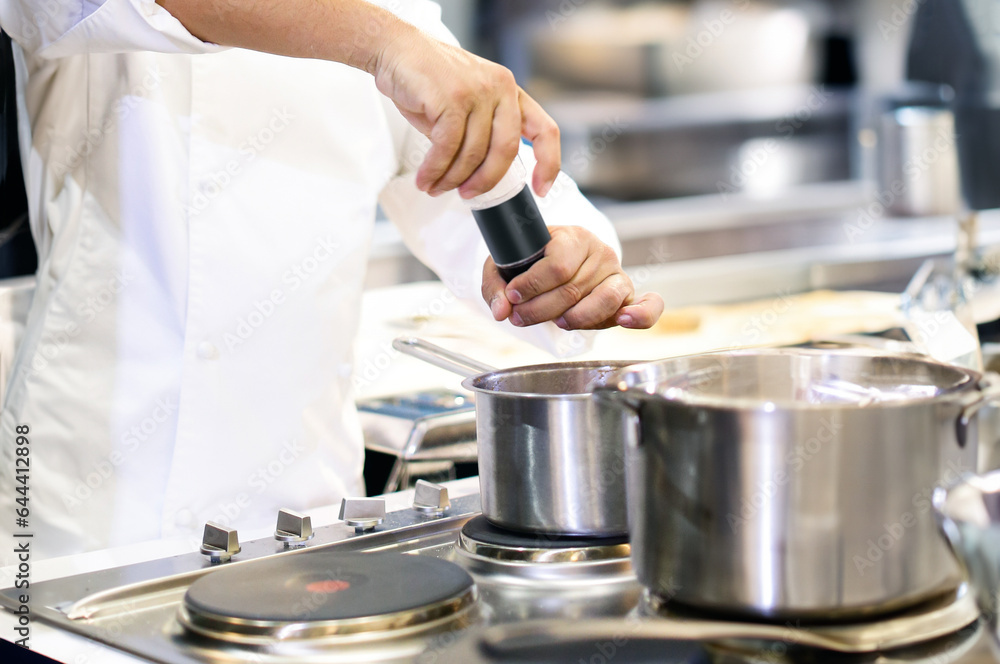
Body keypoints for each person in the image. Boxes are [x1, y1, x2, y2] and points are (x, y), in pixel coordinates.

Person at [0, 0, 663, 563]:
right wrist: (383, 44)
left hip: (304, 521)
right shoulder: (383, 28)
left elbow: (473, 169)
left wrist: (564, 262)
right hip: (92, 530)